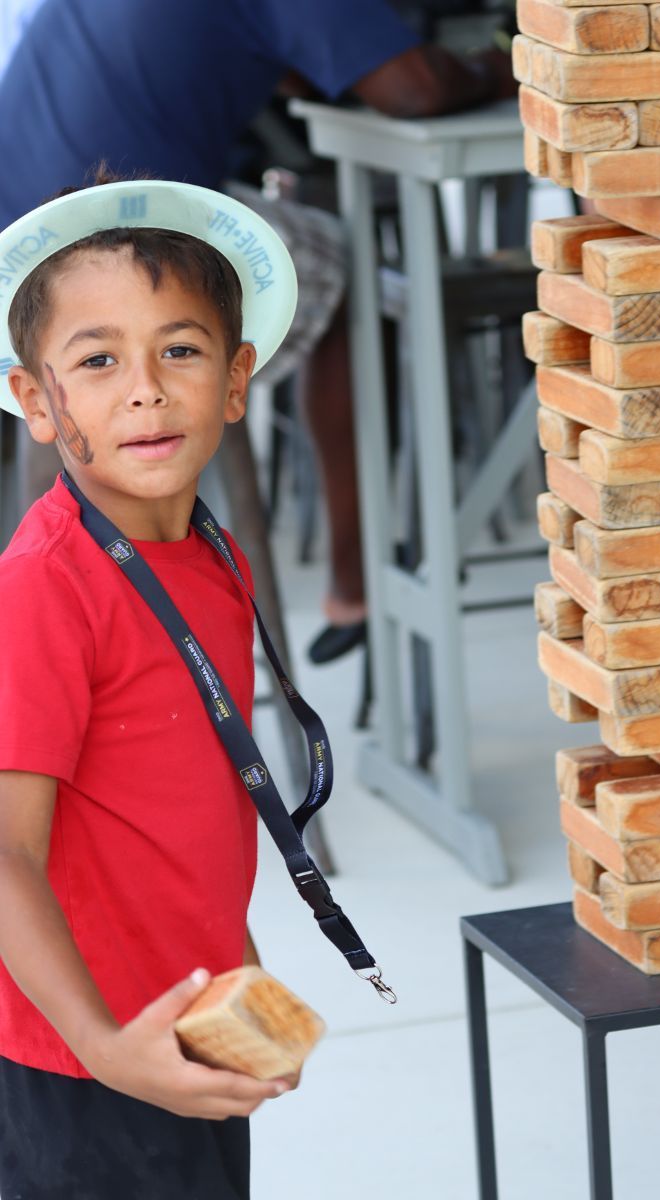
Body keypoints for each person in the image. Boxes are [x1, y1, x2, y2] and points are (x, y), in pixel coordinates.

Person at [0, 0, 515, 660]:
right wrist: (504, 67)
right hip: (114, 238)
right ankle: (354, 579)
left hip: (20, 248)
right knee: (341, 263)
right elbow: (414, 89)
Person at [0, 174, 307, 1199]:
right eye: (97, 361)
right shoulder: (46, 590)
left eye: (179, 349)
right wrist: (101, 1046)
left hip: (183, 1026)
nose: (145, 387)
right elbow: (4, 849)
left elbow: (180, 810)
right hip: (81, 1061)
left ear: (234, 378)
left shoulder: (211, 556)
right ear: (37, 402)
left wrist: (242, 974)